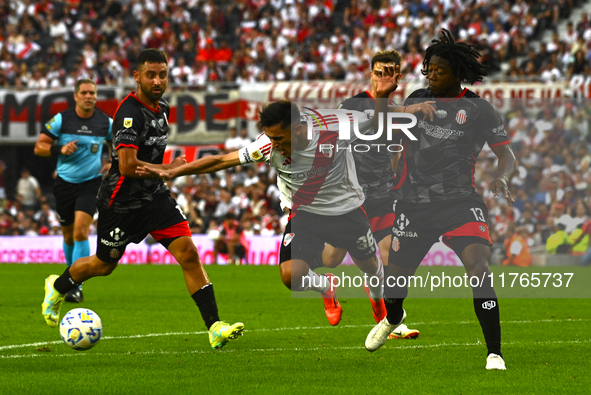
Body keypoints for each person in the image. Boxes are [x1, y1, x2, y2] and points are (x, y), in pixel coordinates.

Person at [41, 49, 244, 350]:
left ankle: (215, 326)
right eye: (151, 74)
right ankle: (57, 287)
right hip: (120, 203)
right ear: (137, 76)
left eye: (162, 74)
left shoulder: (162, 109)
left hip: (154, 198)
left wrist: (165, 171)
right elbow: (125, 166)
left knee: (188, 253)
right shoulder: (129, 112)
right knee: (103, 265)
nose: (158, 80)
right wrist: (165, 169)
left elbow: (150, 161)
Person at [137, 100, 389, 327]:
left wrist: (383, 95)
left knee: (370, 268)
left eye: (279, 138)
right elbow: (221, 161)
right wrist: (173, 172)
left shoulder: (336, 127)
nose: (274, 144)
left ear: (298, 129)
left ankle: (381, 311)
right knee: (290, 275)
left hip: (346, 209)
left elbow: (378, 119)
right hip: (305, 214)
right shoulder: (267, 146)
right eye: (270, 137)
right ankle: (326, 286)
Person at [365, 29, 516, 371]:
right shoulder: (417, 98)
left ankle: (495, 353)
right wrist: (382, 98)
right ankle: (393, 316)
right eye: (429, 68)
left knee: (479, 268)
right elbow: (378, 128)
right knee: (395, 287)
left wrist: (502, 175)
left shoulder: (478, 109)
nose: (432, 75)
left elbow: (506, 155)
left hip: (459, 203)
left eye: (440, 70)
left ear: (457, 74)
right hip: (413, 206)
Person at [317, 49, 419, 339]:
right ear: (371, 74)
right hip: (350, 196)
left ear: (399, 75)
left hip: (382, 196)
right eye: (380, 71)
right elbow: (370, 129)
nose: (386, 76)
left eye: (392, 71)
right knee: (331, 259)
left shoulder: (398, 110)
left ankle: (392, 321)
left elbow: (394, 149)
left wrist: (394, 181)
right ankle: (327, 285)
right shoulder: (353, 104)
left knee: (389, 258)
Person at [34, 78, 113, 303]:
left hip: (91, 183)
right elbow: (39, 147)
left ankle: (75, 285)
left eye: (92, 93)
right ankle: (71, 274)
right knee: (68, 235)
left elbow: (116, 144)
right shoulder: (62, 120)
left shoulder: (105, 123)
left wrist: (110, 163)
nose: (89, 96)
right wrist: (60, 148)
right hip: (65, 184)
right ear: (76, 96)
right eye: (85, 92)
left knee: (80, 231)